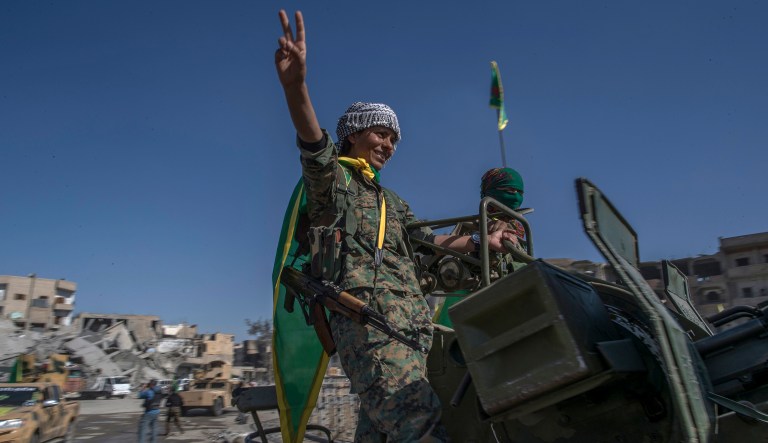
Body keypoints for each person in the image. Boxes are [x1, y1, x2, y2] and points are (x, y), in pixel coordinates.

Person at [275, 10, 518, 442]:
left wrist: (484, 238)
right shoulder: (335, 184)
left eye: (394, 139)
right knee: (419, 426)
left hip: (409, 331)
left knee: (380, 433)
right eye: (380, 133)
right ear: (353, 134)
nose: (388, 144)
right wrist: (296, 87)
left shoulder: (393, 202)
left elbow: (432, 243)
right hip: (367, 322)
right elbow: (312, 143)